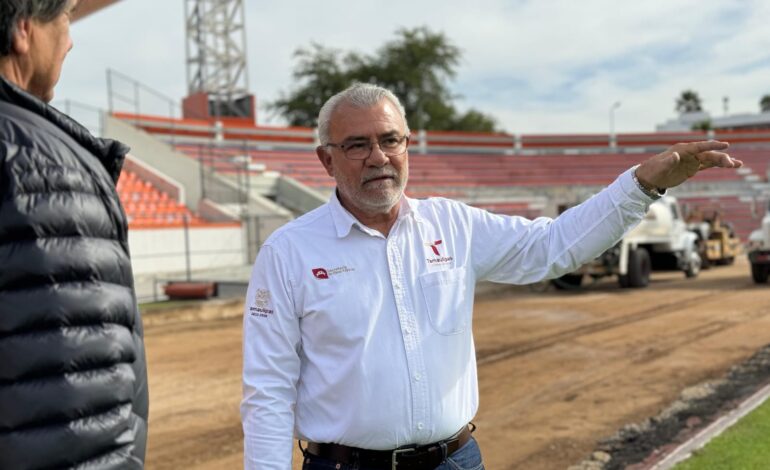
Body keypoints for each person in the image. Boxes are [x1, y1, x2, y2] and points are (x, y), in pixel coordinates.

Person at [241, 83, 740, 470]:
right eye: (357, 145)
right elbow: (268, 388)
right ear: (326, 159)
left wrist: (641, 186)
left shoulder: (453, 225)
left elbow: (551, 248)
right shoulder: (289, 252)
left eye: (390, 139)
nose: (379, 156)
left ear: (407, 145)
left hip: (455, 460)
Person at [0, 1, 148, 469]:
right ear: (23, 31)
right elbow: (76, 399)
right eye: (64, 17)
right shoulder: (41, 166)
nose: (71, 37)